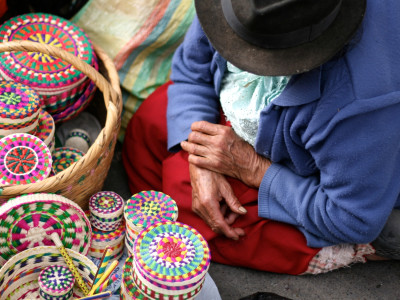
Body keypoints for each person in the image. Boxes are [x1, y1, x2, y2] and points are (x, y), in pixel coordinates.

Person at [122, 0, 400, 275]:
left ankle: (370, 242)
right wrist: (200, 157)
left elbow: (349, 217)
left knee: (206, 223)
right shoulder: (232, 8)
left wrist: (254, 168)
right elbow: (192, 70)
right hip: (265, 133)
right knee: (151, 124)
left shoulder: (359, 100)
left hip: (349, 174)